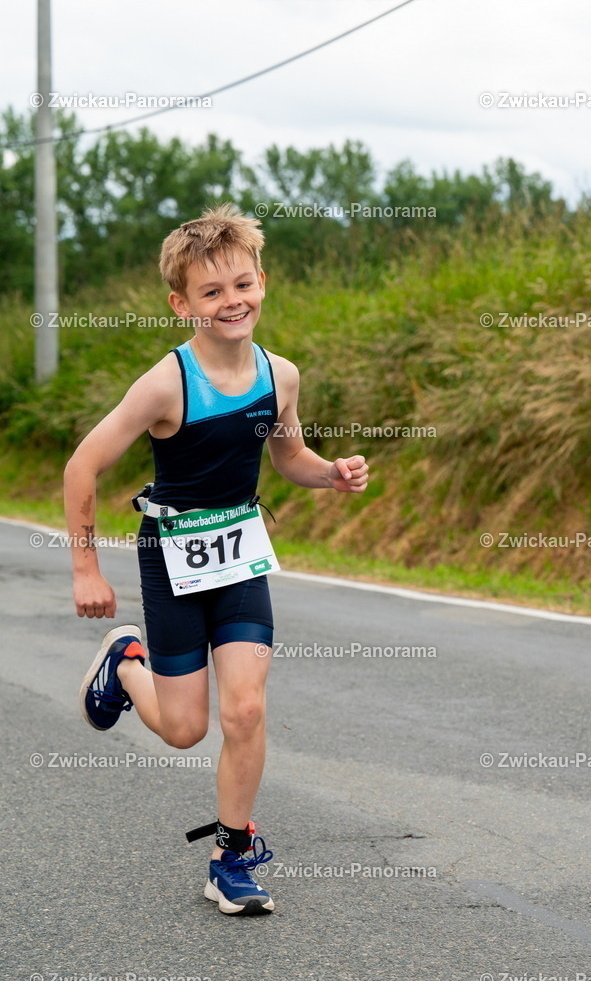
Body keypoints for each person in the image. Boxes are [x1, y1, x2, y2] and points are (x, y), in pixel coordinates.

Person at [64, 204, 369, 915]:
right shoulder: (166, 383)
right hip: (171, 556)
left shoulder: (280, 376)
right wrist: (85, 569)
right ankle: (125, 663)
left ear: (262, 282)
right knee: (183, 730)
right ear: (182, 304)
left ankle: (231, 857)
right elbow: (83, 465)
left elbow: (288, 457)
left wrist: (331, 474)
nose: (232, 301)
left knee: (246, 709)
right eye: (211, 292)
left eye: (242, 285)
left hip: (240, 555)